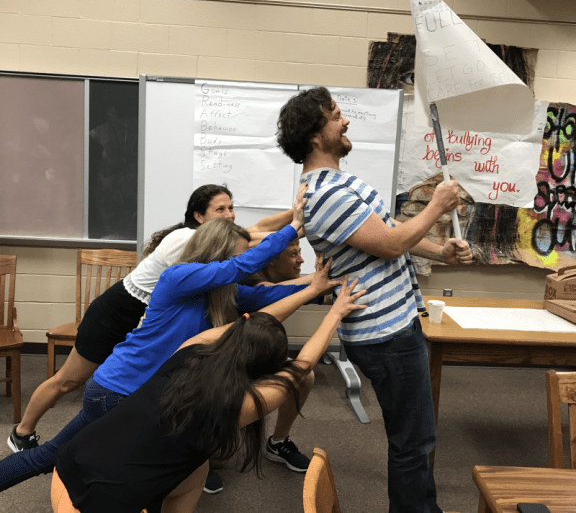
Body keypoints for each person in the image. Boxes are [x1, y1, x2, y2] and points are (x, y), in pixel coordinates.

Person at [0, 184, 322, 494]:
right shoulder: (177, 278)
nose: (239, 268)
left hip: (135, 391)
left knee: (63, 457)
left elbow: (269, 296)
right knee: (107, 464)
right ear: (215, 254)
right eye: (232, 260)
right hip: (118, 391)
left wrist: (318, 285)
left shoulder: (223, 292)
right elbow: (240, 266)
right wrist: (293, 228)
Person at [277, 86, 473, 513]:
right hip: (384, 334)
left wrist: (440, 251)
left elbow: (387, 234)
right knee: (413, 441)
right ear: (315, 136)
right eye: (335, 116)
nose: (345, 122)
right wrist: (437, 204)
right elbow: (388, 243)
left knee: (414, 438)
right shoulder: (325, 195)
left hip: (394, 325)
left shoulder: (338, 182)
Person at [50, 270, 366, 513]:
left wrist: (315, 291)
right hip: (90, 504)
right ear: (265, 368)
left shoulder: (192, 348)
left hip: (68, 465)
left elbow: (252, 324)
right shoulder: (241, 403)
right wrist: (335, 313)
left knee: (196, 467)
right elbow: (303, 365)